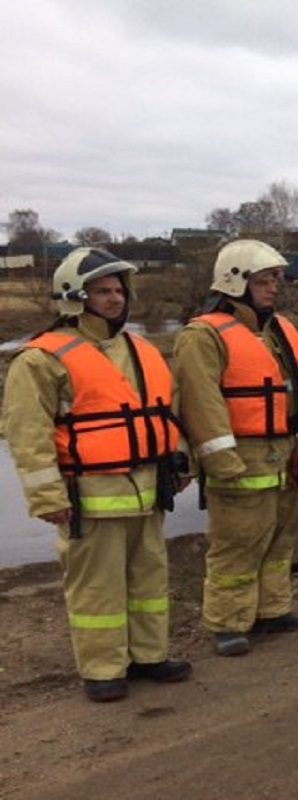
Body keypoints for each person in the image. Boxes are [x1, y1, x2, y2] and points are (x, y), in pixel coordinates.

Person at [2, 248, 191, 702]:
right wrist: (48, 496)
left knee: (148, 581)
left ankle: (149, 655)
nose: (114, 299)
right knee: (98, 590)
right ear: (75, 297)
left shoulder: (141, 348)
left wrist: (180, 460)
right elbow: (28, 433)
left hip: (148, 489)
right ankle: (104, 669)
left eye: (119, 290)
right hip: (90, 496)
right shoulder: (40, 359)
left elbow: (163, 411)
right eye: (102, 291)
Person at [174, 239, 298, 656]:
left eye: (276, 280)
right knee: (238, 541)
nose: (273, 288)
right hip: (241, 454)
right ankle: (228, 622)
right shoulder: (203, 335)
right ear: (234, 283)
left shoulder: (279, 330)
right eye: (264, 281)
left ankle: (273, 610)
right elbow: (200, 402)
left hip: (286, 449)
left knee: (283, 536)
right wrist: (220, 459)